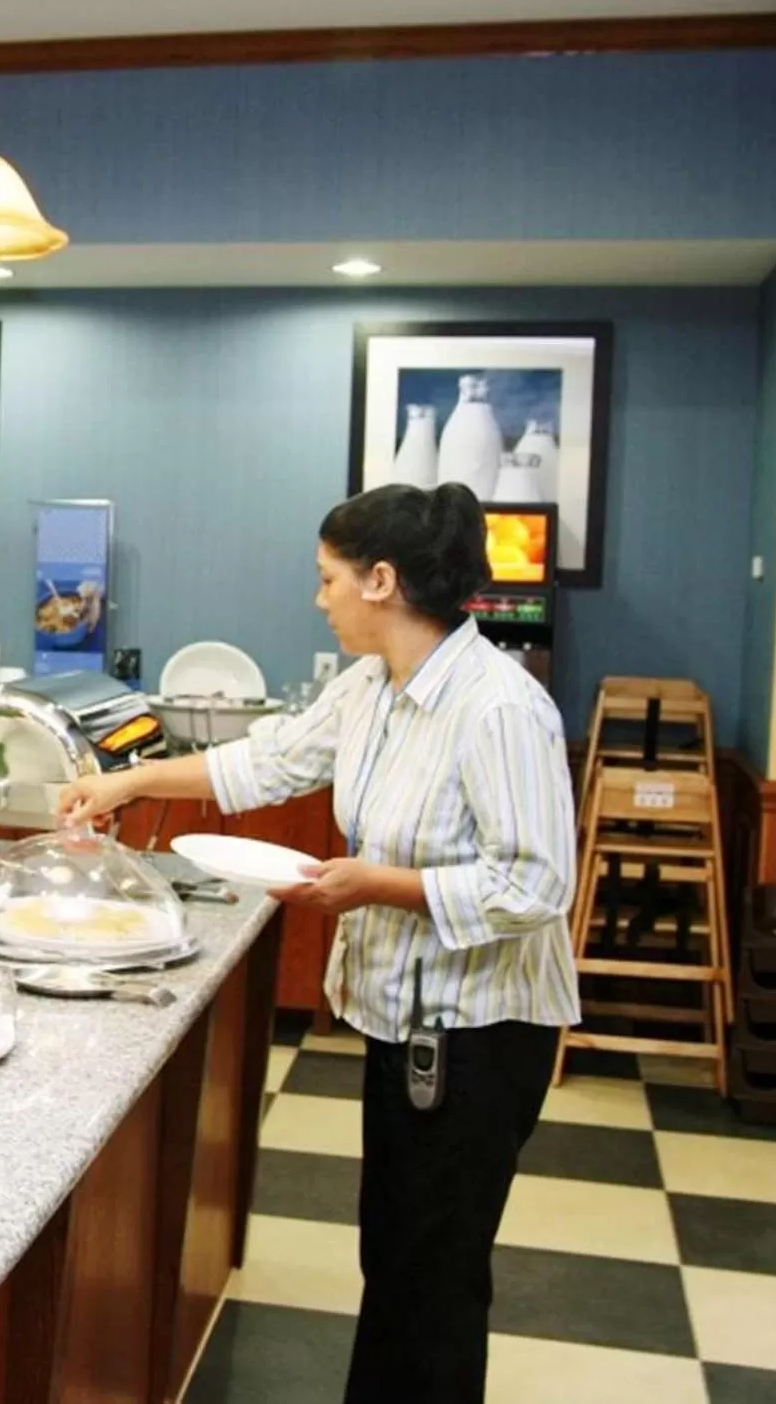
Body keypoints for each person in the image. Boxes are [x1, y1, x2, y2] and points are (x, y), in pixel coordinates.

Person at [60, 482, 580, 1404]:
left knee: (436, 1275)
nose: (320, 597)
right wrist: (130, 784)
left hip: (478, 1032)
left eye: (328, 577)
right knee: (395, 1253)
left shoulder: (498, 706)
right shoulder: (373, 685)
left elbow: (535, 886)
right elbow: (266, 759)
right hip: (403, 1017)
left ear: (382, 580)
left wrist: (376, 884)